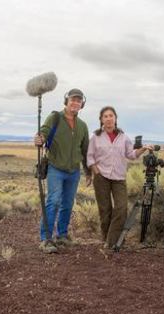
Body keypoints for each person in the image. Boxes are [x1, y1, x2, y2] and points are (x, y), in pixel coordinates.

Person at [34, 88, 92, 254]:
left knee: (68, 203)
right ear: (66, 101)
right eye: (73, 99)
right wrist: (40, 138)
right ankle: (46, 239)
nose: (75, 103)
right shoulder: (55, 117)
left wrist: (88, 172)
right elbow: (43, 132)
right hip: (55, 168)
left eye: (79, 101)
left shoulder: (82, 126)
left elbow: (85, 149)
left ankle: (62, 236)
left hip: (74, 171)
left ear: (82, 104)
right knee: (53, 202)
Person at [87, 106, 153, 249]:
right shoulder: (95, 137)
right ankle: (108, 240)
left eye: (111, 115)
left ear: (115, 119)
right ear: (101, 120)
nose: (109, 118)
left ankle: (112, 241)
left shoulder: (123, 137)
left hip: (119, 177)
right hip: (101, 176)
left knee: (121, 208)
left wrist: (142, 149)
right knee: (105, 210)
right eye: (105, 116)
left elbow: (131, 154)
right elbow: (90, 156)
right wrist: (95, 170)